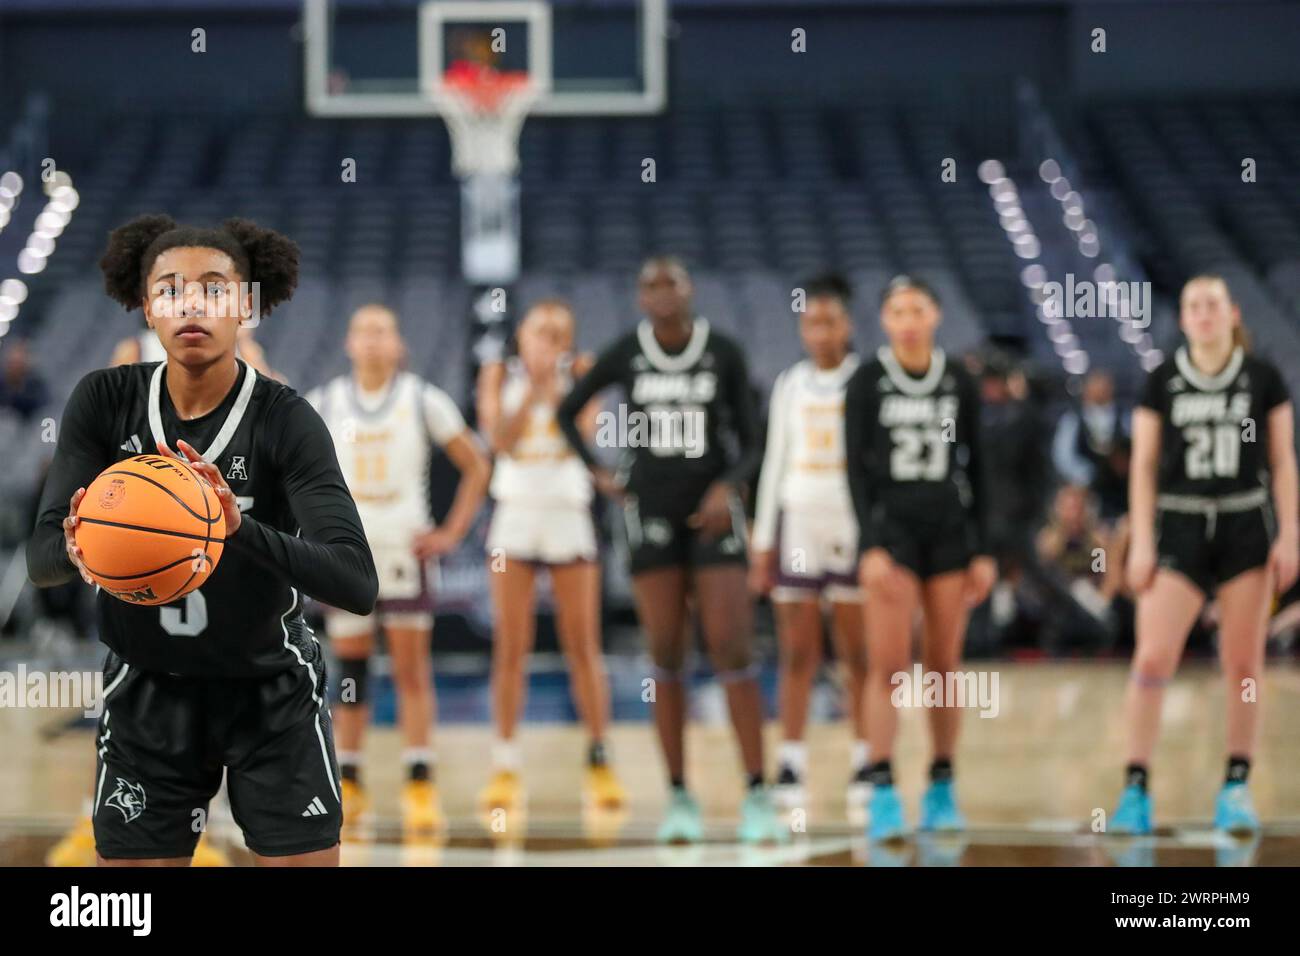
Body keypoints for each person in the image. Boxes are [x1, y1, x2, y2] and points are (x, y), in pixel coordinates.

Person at [27, 214, 377, 866]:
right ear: (144, 305)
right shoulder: (104, 401)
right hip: (147, 691)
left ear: (246, 306)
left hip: (269, 690)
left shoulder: (287, 419)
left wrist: (237, 529)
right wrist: (81, 549)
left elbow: (356, 582)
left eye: (215, 288)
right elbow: (42, 558)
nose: (192, 302)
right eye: (170, 288)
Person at [556, 256, 784, 844]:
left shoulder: (723, 351)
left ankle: (758, 792)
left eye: (671, 283)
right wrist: (598, 473)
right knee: (667, 655)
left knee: (732, 646)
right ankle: (680, 796)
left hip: (713, 514)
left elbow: (756, 439)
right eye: (649, 285)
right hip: (649, 510)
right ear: (639, 298)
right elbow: (564, 409)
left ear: (690, 289)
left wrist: (726, 484)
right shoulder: (626, 352)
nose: (660, 293)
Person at [1111, 275, 1297, 835]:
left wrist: (1290, 532)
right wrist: (1140, 540)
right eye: (1193, 305)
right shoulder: (1162, 380)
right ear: (1184, 318)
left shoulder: (1262, 378)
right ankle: (1135, 787)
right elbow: (1142, 466)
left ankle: (1236, 784)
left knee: (1243, 666)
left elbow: (1283, 461)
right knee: (1151, 660)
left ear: (1232, 312)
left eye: (1213, 304)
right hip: (1180, 522)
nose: (1204, 313)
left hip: (1245, 521)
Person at [307, 304, 490, 836]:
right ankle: (352, 777)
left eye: (382, 330)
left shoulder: (421, 397)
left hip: (405, 549)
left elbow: (477, 463)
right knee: (352, 674)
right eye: (362, 330)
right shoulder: (327, 401)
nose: (371, 340)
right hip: (348, 553)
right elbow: (291, 467)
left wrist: (452, 532)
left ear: (398, 344)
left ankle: (419, 776)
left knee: (411, 671)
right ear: (348, 343)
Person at [844, 275, 995, 842]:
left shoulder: (958, 380)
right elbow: (854, 470)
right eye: (897, 310)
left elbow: (979, 467)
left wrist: (982, 548)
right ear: (884, 320)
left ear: (935, 315)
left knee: (943, 667)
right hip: (893, 533)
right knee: (887, 664)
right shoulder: (867, 381)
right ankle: (882, 785)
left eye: (917, 309)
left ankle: (942, 781)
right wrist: (869, 545)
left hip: (950, 533)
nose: (908, 319)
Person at [475, 299, 626, 818]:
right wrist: (532, 392)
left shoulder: (583, 374)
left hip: (568, 511)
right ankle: (505, 763)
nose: (548, 342)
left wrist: (556, 386)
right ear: (522, 337)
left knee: (582, 644)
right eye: (540, 333)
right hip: (515, 514)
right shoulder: (497, 374)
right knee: (510, 647)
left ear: (568, 342)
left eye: (558, 334)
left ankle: (600, 757)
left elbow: (583, 434)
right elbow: (501, 442)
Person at [749, 274, 869, 818]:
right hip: (798, 519)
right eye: (811, 322)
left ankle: (866, 756)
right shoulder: (791, 384)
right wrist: (762, 539)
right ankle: (792, 757)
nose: (820, 332)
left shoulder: (865, 380)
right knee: (797, 651)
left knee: (856, 653)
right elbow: (774, 460)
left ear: (847, 325)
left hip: (850, 523)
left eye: (830, 321)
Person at [1052, 369, 1130, 522]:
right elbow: (1063, 456)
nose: (1100, 390)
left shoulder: (1125, 417)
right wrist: (1087, 476)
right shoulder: (1073, 418)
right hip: (1087, 491)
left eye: (1104, 385)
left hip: (1121, 490)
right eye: (1095, 385)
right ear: (1086, 389)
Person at [0, 337, 49, 420]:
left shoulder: (36, 385)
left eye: (18, 363)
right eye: (12, 363)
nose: (15, 366)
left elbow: (40, 409)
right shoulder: (2, 383)